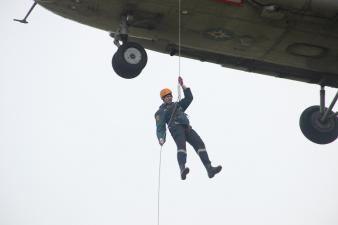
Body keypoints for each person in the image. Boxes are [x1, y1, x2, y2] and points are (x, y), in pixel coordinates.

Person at [154, 76, 222, 180]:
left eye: (170, 96)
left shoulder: (178, 105)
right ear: (163, 99)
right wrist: (161, 138)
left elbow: (189, 98)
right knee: (181, 146)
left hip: (186, 127)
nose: (169, 97)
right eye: (166, 97)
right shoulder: (161, 111)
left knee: (200, 143)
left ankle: (209, 168)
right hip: (175, 128)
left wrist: (183, 86)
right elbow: (160, 126)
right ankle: (182, 169)